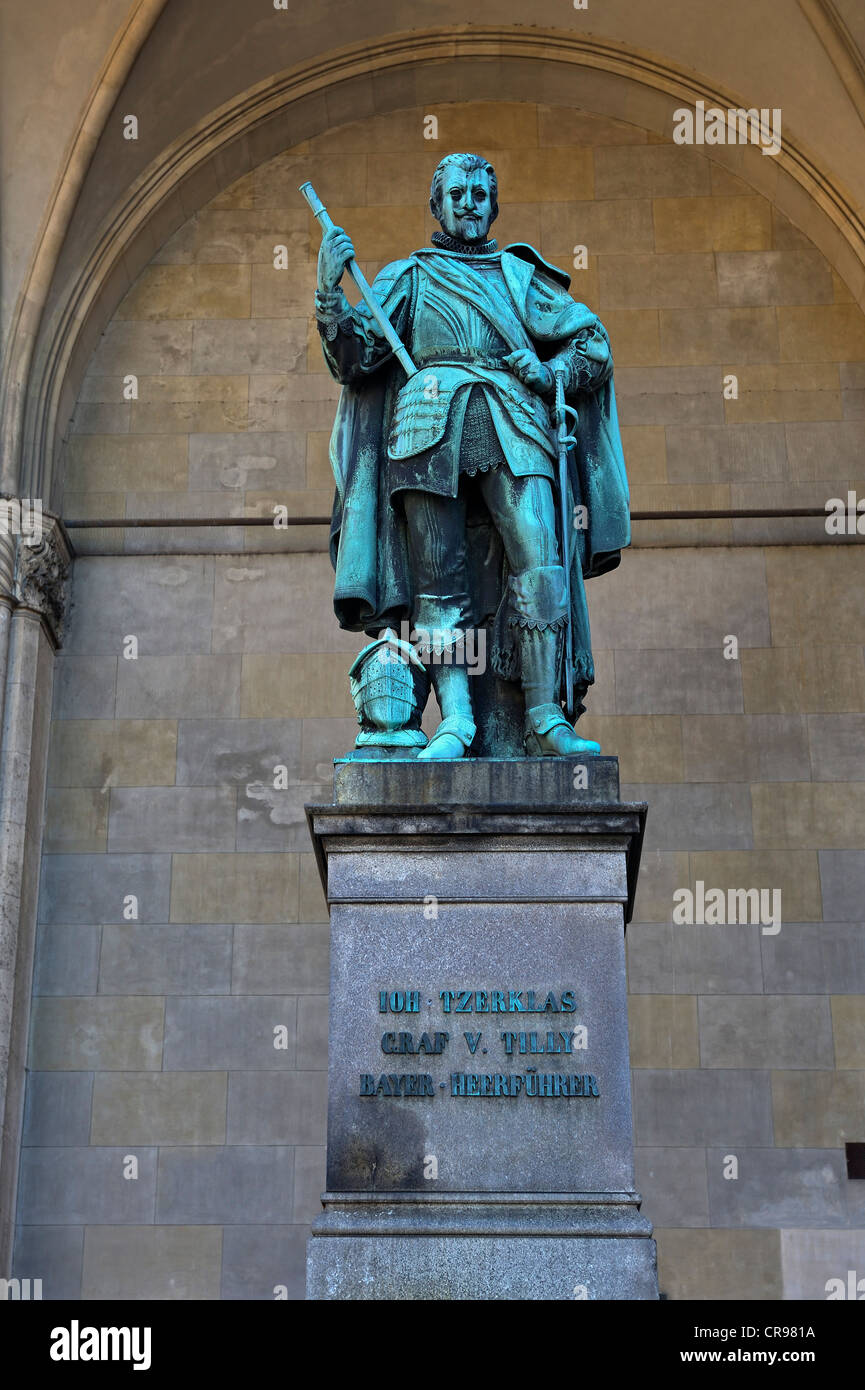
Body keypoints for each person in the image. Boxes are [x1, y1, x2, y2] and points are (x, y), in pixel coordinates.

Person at [315, 152, 629, 759]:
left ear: (493, 205)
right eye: (456, 193)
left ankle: (544, 717)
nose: (468, 202)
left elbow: (594, 344)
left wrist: (546, 372)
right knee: (439, 584)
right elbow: (354, 358)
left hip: (515, 419)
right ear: (437, 205)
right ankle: (456, 721)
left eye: (479, 194)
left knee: (540, 563)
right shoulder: (408, 278)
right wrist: (329, 291)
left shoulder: (520, 278)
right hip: (426, 426)